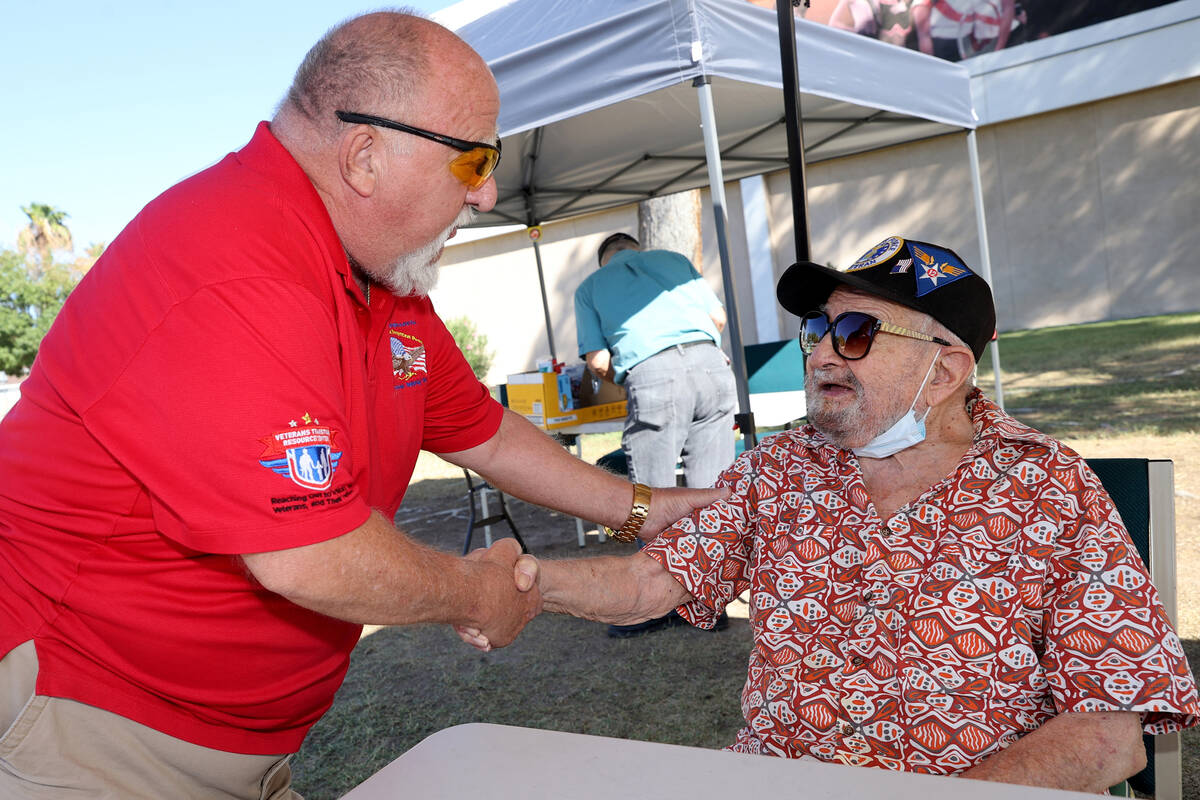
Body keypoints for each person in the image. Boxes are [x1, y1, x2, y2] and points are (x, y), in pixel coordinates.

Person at [0, 13, 724, 799]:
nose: (486, 195)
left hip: (231, 742)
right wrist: (481, 593)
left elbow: (486, 433)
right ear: (366, 155)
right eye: (476, 159)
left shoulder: (382, 281)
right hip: (88, 728)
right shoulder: (236, 262)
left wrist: (647, 509)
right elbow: (311, 554)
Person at [486, 236, 1200, 792]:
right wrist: (528, 581)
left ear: (944, 372)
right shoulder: (780, 467)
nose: (822, 351)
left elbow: (1110, 733)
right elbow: (651, 583)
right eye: (819, 330)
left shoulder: (1047, 485)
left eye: (855, 332)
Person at [574, 233, 738, 636]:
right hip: (713, 366)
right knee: (712, 495)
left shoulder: (591, 287)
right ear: (635, 249)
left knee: (651, 498)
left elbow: (597, 360)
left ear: (605, 261)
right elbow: (718, 319)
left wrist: (629, 377)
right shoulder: (672, 259)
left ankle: (654, 608)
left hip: (653, 375)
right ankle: (709, 605)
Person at [911, 0, 1016, 60]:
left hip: (990, 41)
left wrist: (999, 49)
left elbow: (1008, 7)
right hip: (946, 46)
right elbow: (923, 31)